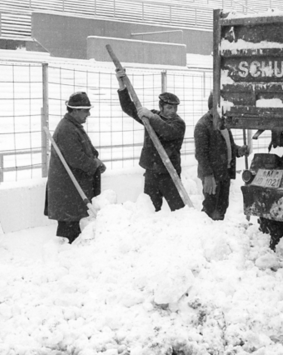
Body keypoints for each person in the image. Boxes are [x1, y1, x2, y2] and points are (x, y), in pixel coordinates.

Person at [116, 69, 186, 212]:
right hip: (152, 172)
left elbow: (167, 132)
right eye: (169, 107)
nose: (172, 111)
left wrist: (152, 117)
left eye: (174, 108)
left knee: (178, 208)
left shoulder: (178, 123)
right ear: (161, 107)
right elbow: (128, 107)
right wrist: (122, 85)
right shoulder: (151, 117)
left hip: (169, 172)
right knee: (150, 209)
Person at [44, 91, 106, 244]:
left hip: (71, 190)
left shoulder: (73, 126)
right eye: (86, 110)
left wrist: (95, 161)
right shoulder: (67, 129)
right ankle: (64, 256)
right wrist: (95, 164)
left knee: (73, 226)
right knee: (68, 228)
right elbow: (77, 159)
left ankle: (68, 253)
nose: (89, 114)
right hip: (68, 190)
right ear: (75, 110)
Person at [194, 92, 248, 220]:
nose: (225, 111)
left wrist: (239, 151)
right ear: (213, 107)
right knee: (210, 207)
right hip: (212, 175)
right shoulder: (203, 126)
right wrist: (208, 175)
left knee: (223, 206)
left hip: (224, 173)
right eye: (222, 107)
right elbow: (200, 154)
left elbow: (228, 147)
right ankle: (206, 234)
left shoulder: (224, 124)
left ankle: (218, 231)